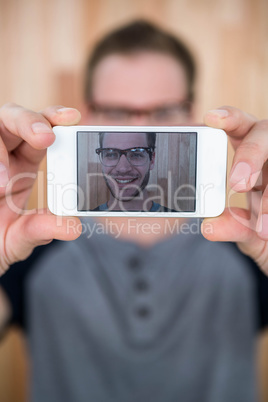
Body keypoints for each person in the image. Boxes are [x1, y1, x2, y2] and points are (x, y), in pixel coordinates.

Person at [0, 20, 268, 402]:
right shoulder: (34, 244)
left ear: (190, 114)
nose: (136, 134)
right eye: (118, 113)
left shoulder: (247, 242)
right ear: (89, 117)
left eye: (163, 110)